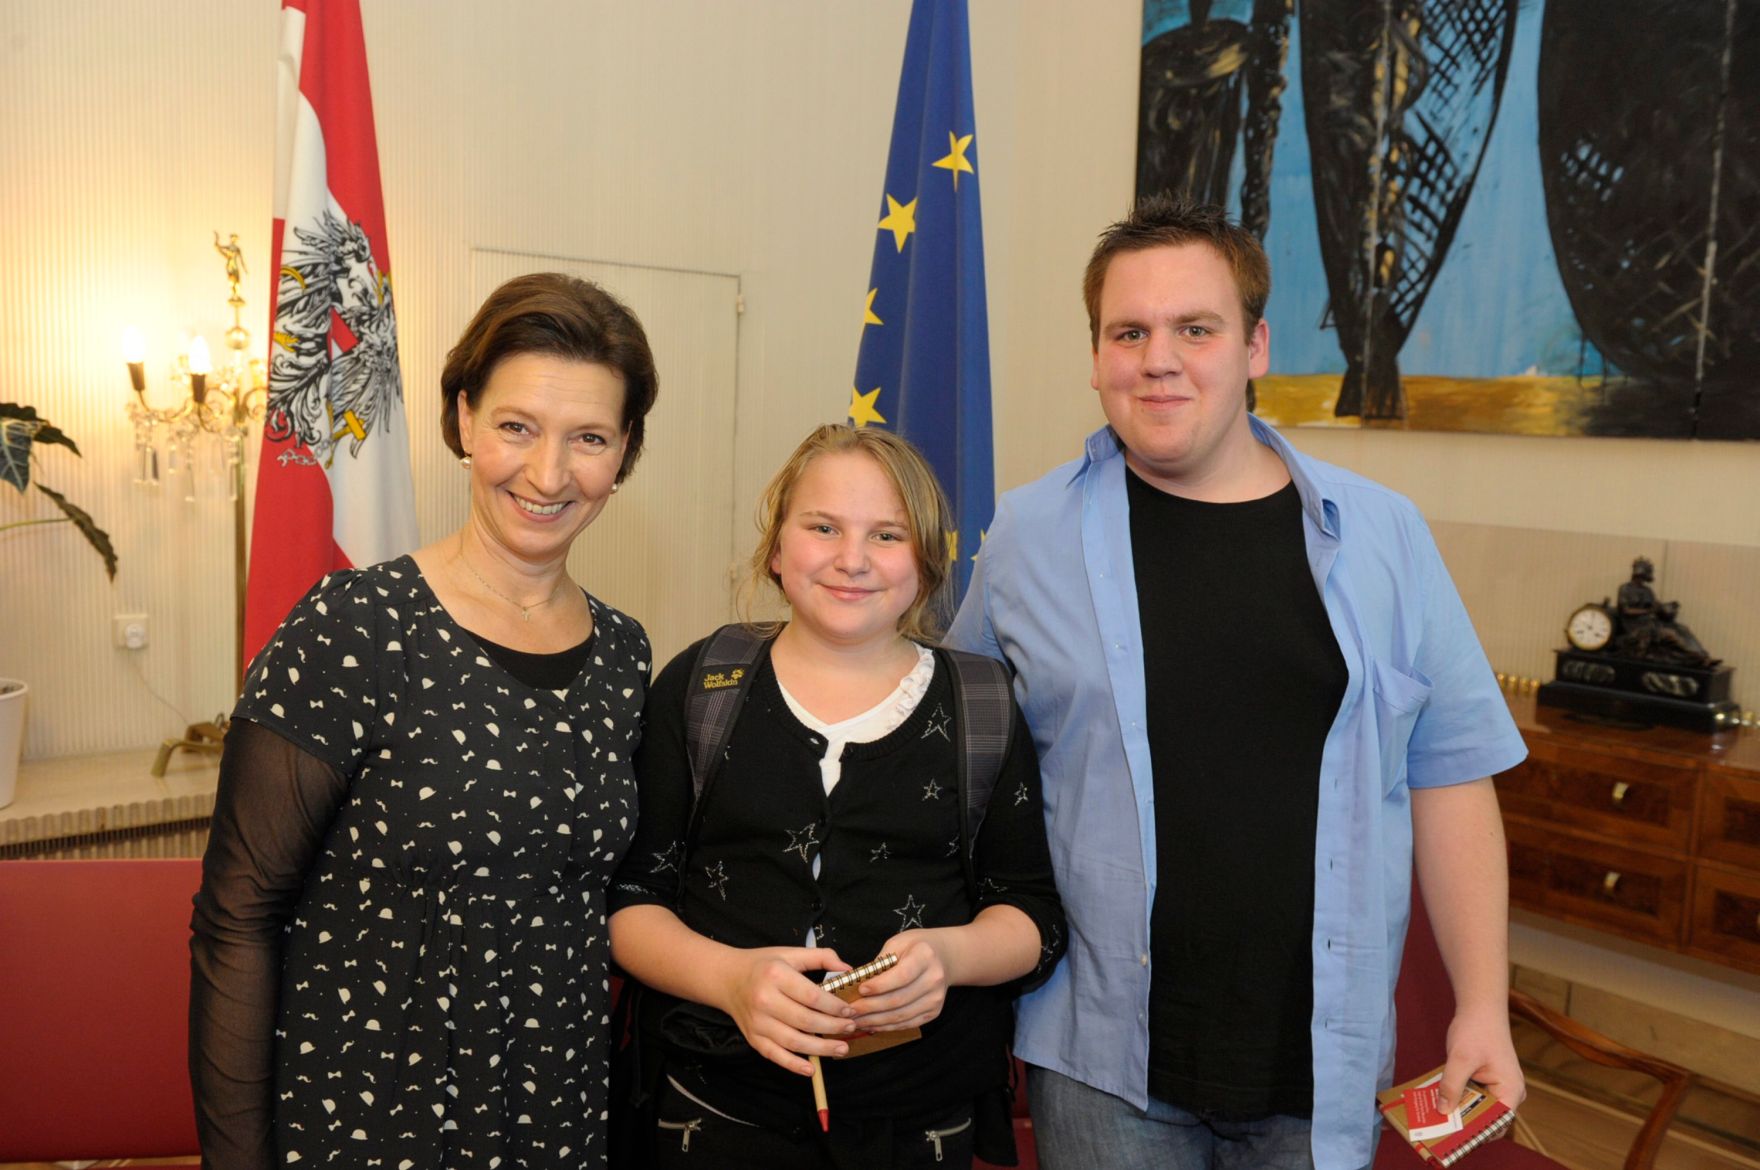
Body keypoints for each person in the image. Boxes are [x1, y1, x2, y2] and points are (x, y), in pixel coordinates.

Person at [945, 197, 1528, 1170]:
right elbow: (956, 764)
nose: (1157, 358)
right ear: (1094, 358)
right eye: (1127, 332)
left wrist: (1480, 1006)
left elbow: (1451, 776)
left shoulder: (1382, 537)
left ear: (1255, 347)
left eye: (1194, 329)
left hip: (1317, 1068)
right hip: (1098, 1067)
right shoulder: (1024, 540)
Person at [189, 272, 660, 1169]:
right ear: (463, 420)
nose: (550, 472)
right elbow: (237, 920)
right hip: (367, 1114)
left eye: (589, 438)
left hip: (555, 1117)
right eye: (517, 426)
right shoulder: (352, 628)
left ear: (624, 451)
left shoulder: (626, 656)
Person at [609, 424, 1065, 1169]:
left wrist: (949, 957)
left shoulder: (981, 703)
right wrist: (730, 980)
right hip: (713, 1111)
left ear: (924, 560)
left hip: (918, 1121)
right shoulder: (702, 685)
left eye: (885, 534)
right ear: (777, 548)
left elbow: (1033, 915)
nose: (852, 559)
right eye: (823, 527)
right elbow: (631, 901)